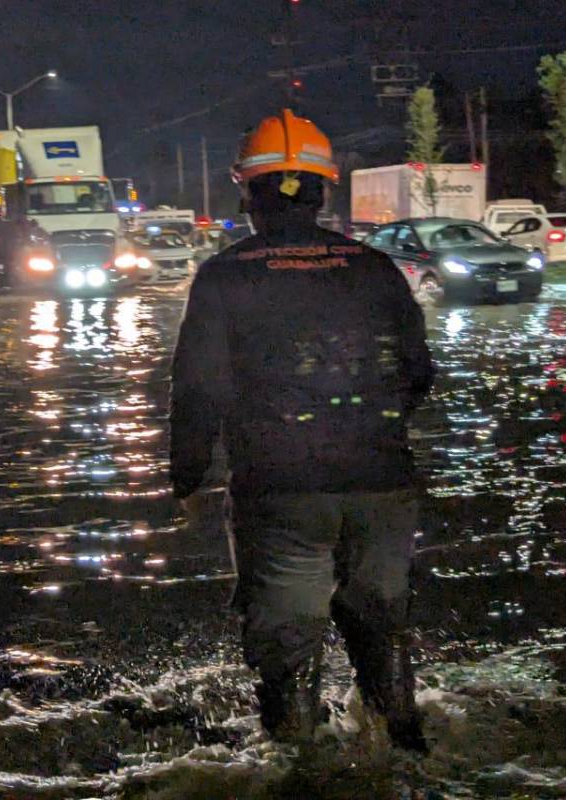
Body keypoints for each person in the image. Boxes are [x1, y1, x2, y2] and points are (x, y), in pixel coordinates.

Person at [169, 109, 435, 751]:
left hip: (281, 492)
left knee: (287, 647)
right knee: (382, 628)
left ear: (247, 189)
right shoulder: (375, 269)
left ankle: (299, 766)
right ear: (324, 189)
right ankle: (406, 751)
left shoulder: (226, 275)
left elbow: (198, 389)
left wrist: (188, 474)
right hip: (382, 486)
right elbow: (418, 375)